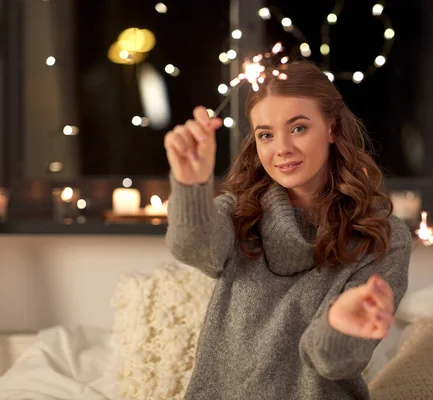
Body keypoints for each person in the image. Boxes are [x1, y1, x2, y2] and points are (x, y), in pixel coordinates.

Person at [164, 61, 412, 399]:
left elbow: (332, 363)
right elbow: (192, 248)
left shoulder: (382, 237)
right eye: (266, 134)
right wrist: (190, 183)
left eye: (298, 128)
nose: (281, 148)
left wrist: (339, 323)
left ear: (332, 128)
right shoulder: (238, 214)